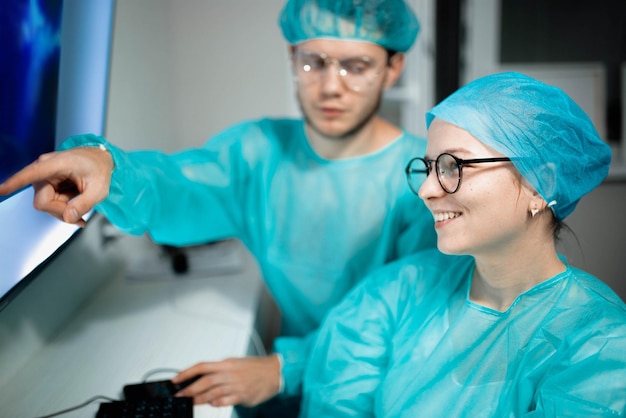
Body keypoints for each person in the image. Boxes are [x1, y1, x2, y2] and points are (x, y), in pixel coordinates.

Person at [0, 0, 436, 415]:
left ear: (393, 68)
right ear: (291, 55)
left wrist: (289, 369)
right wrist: (107, 164)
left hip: (382, 384)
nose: (331, 86)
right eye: (313, 61)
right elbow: (176, 188)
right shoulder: (259, 153)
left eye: (356, 67)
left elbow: (418, 319)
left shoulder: (422, 180)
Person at [300, 72, 626, 417]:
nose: (427, 190)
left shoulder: (598, 342)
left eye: (452, 166)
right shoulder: (401, 289)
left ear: (539, 184)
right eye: (428, 168)